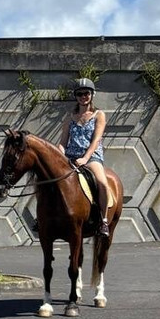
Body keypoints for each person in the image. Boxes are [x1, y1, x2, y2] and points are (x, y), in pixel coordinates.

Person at [58, 77, 111, 236]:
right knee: (50, 178)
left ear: (92, 94)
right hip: (71, 157)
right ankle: (44, 218)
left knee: (102, 182)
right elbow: (62, 142)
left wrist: (86, 158)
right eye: (80, 94)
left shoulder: (98, 115)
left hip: (91, 157)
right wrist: (58, 154)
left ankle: (104, 221)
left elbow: (96, 140)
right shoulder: (70, 117)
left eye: (86, 93)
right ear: (76, 96)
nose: (83, 97)